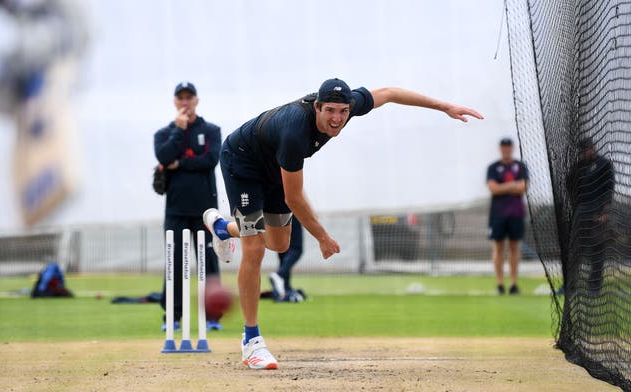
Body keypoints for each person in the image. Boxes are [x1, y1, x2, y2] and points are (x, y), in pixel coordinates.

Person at [203, 78, 483, 370]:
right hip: (243, 162)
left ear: (350, 108)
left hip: (275, 166)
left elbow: (388, 93)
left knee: (279, 243)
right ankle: (252, 342)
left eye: (342, 111)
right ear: (317, 107)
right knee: (255, 247)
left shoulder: (349, 107)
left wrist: (445, 106)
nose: (337, 119)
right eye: (330, 111)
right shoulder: (294, 132)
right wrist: (323, 237)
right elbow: (295, 198)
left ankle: (223, 229)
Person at [154, 82, 223, 331]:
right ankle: (172, 317)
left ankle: (213, 317)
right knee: (175, 265)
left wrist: (178, 163)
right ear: (175, 101)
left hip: (206, 212)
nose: (185, 102)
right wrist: (179, 131)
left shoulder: (212, 130)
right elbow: (163, 157)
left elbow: (210, 160)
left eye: (189, 97)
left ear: (196, 100)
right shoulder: (164, 134)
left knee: (209, 263)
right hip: (175, 211)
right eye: (180, 98)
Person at [564, 138, 614, 295]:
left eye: (590, 148)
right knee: (575, 252)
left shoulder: (604, 164)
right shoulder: (578, 167)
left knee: (597, 252)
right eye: (586, 150)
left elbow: (608, 189)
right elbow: (570, 187)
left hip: (597, 214)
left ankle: (594, 288)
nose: (589, 151)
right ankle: (570, 286)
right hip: (581, 214)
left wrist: (605, 211)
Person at [486, 137, 529, 295]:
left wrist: (503, 187)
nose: (506, 150)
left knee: (514, 246)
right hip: (498, 214)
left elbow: (523, 187)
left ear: (512, 148)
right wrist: (512, 186)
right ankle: (499, 284)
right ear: (500, 149)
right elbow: (493, 189)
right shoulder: (493, 167)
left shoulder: (520, 166)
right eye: (503, 147)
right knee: (498, 247)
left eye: (508, 147)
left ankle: (513, 283)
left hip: (516, 213)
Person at [270, 216, 305, 302]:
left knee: (283, 248)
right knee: (296, 249)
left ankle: (284, 289)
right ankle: (279, 275)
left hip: (273, 213)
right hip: (289, 210)